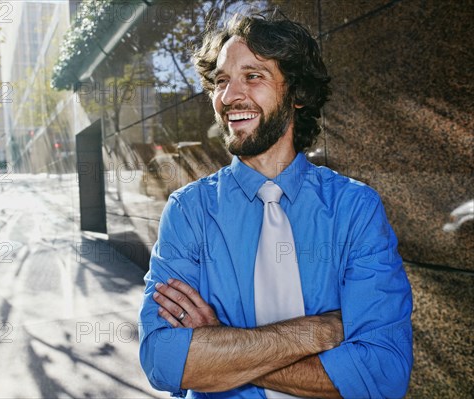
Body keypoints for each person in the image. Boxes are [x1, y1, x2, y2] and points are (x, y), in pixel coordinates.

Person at [138, 10, 413, 399]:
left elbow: (383, 375)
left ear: (296, 93)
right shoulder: (188, 212)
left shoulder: (356, 209)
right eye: (221, 81)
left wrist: (220, 348)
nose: (229, 96)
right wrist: (318, 331)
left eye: (253, 76)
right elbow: (163, 360)